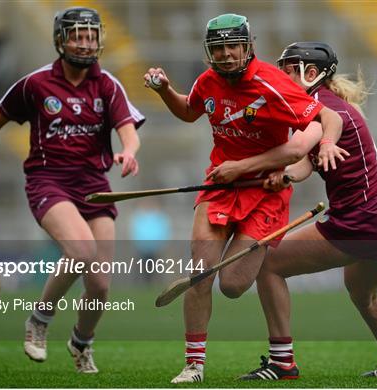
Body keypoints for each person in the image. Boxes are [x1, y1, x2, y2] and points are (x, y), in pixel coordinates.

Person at [144, 15, 344, 383]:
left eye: (231, 46)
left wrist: (326, 144)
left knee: (233, 285)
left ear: (247, 46)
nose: (224, 55)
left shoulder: (273, 83)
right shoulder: (208, 81)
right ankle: (194, 365)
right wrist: (164, 92)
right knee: (200, 274)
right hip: (219, 187)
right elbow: (190, 111)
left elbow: (327, 118)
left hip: (266, 194)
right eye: (217, 48)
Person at [209, 42, 377, 380]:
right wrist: (285, 176)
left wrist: (249, 169)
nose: (279, 76)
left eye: (288, 69)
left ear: (311, 73)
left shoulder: (320, 108)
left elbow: (298, 151)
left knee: (269, 264)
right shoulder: (329, 106)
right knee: (364, 293)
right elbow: (305, 162)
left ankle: (282, 362)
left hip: (361, 220)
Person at [0, 7, 145, 373]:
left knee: (100, 285)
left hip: (95, 185)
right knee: (81, 250)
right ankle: (39, 321)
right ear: (60, 40)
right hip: (48, 181)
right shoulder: (35, 84)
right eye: (77, 36)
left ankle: (81, 342)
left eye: (90, 36)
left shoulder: (107, 84)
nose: (85, 43)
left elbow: (128, 128)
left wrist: (128, 151)